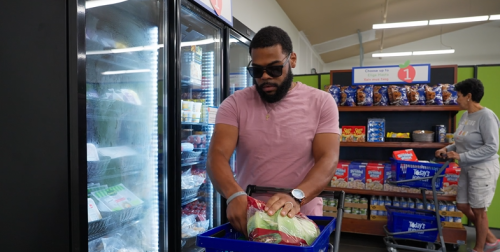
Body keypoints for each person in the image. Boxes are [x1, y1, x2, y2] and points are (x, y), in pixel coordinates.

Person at [206, 26, 340, 237]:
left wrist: (296, 197)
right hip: (249, 219)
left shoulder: (322, 102)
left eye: (275, 69)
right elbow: (217, 155)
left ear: (292, 60)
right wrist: (233, 195)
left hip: (301, 220)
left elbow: (328, 158)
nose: (265, 77)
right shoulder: (234, 104)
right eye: (257, 71)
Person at [435, 78, 500, 252]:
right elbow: (461, 140)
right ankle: (492, 239)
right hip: (466, 167)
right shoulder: (465, 115)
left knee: (479, 211)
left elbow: (492, 147)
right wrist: (447, 148)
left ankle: (480, 248)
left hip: (483, 168)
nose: (456, 99)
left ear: (469, 96)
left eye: (459, 95)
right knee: (462, 205)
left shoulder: (486, 116)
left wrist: (461, 156)